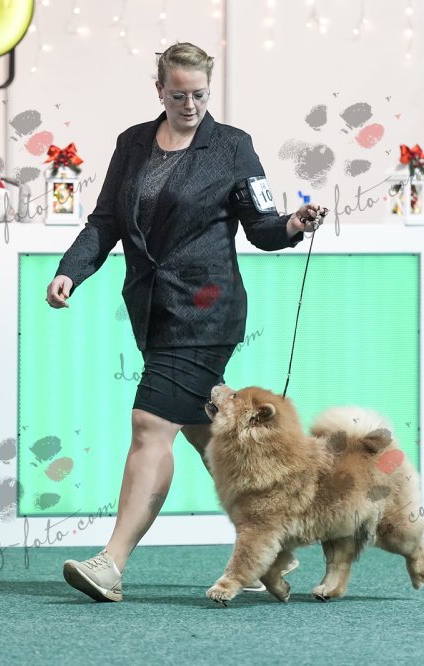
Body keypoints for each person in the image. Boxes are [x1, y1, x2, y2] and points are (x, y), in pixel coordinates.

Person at [46, 42, 324, 603]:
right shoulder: (132, 143)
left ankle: (111, 564)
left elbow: (261, 227)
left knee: (150, 425)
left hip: (207, 311)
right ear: (160, 91)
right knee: (207, 431)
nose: (190, 105)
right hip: (152, 310)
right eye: (178, 95)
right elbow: (106, 222)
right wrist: (70, 272)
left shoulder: (233, 146)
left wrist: (293, 224)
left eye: (199, 94)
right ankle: (275, 539)